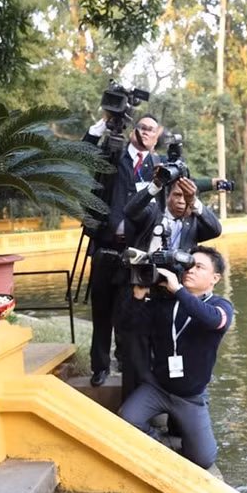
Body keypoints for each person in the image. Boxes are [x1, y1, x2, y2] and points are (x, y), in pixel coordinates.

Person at [117, 246, 233, 469]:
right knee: (127, 420)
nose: (191, 270)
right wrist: (138, 296)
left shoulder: (220, 306)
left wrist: (179, 290)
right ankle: (160, 444)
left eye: (199, 267)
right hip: (158, 389)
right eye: (188, 265)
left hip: (191, 396)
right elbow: (130, 327)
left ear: (215, 278)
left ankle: (189, 440)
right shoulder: (164, 303)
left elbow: (214, 321)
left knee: (204, 459)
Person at [118, 174, 223, 400]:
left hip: (174, 294)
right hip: (143, 290)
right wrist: (156, 184)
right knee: (135, 353)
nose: (181, 200)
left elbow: (216, 229)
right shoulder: (152, 213)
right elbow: (130, 210)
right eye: (177, 194)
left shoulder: (193, 222)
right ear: (168, 196)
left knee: (172, 351)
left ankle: (175, 414)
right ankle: (133, 411)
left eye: (186, 196)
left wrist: (195, 201)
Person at [83, 113, 163, 387]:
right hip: (105, 247)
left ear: (157, 136)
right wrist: (102, 125)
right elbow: (84, 153)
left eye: (150, 129)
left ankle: (126, 362)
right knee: (102, 311)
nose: (144, 132)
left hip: (136, 252)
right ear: (132, 129)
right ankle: (100, 367)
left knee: (128, 312)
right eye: (140, 126)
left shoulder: (156, 165)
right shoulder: (113, 155)